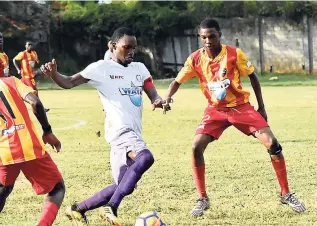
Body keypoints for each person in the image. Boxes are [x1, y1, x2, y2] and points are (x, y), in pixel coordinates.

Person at [163, 18, 306, 217]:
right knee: (196, 147)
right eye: (203, 37)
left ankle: (285, 193)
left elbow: (253, 76)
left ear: (219, 35)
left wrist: (261, 107)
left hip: (240, 107)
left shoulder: (233, 54)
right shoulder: (195, 58)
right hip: (215, 110)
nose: (208, 40)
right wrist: (168, 97)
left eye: (211, 36)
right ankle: (202, 198)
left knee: (272, 143)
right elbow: (177, 81)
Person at [41, 27, 164, 226]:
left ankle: (77, 210)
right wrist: (55, 75)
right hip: (120, 130)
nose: (131, 51)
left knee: (123, 184)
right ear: (113, 46)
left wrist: (158, 100)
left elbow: (152, 92)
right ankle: (111, 207)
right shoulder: (102, 68)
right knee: (146, 157)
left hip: (132, 131)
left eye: (134, 48)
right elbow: (70, 81)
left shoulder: (139, 69)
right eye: (126, 47)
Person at [0, 76, 64, 225]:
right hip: (30, 147)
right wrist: (47, 131)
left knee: (4, 187)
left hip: (4, 151)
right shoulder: (10, 81)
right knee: (57, 187)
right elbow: (35, 102)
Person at [13, 41, 49, 112]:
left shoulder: (34, 53)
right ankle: (39, 108)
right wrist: (18, 69)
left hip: (30, 76)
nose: (30, 46)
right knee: (34, 91)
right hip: (26, 77)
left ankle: (37, 107)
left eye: (31, 45)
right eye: (28, 45)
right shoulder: (22, 54)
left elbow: (37, 63)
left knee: (22, 92)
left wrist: (38, 68)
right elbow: (14, 60)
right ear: (25, 46)